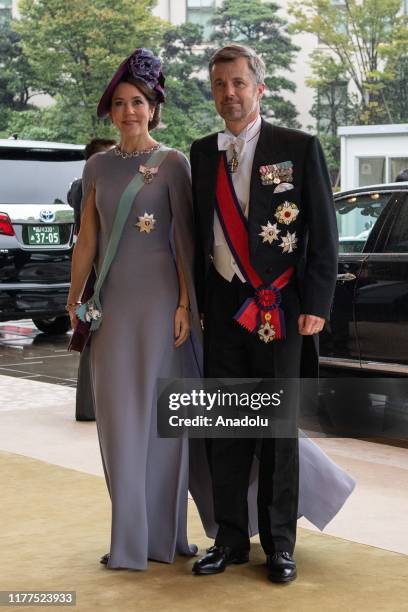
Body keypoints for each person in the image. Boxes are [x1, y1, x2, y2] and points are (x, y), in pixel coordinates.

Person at [190, 44, 342, 583]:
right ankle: (228, 539)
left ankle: (279, 544)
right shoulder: (202, 151)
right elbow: (197, 236)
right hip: (224, 307)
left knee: (277, 431)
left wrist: (318, 305)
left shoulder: (298, 147)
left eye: (238, 83)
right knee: (226, 428)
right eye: (219, 85)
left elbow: (324, 231)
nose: (228, 94)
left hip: (281, 306)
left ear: (260, 87)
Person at [66, 48, 202, 570]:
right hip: (112, 311)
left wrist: (187, 304)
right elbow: (88, 242)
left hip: (164, 308)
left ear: (154, 107)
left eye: (138, 102)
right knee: (119, 423)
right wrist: (73, 299)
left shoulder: (172, 164)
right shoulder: (97, 165)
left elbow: (184, 243)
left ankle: (162, 537)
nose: (128, 112)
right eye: (120, 104)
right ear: (111, 111)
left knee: (165, 423)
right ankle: (128, 539)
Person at [67, 138, 116, 422]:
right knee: (89, 334)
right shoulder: (86, 183)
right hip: (96, 269)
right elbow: (87, 235)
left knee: (90, 334)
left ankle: (90, 405)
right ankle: (88, 406)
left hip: (101, 268)